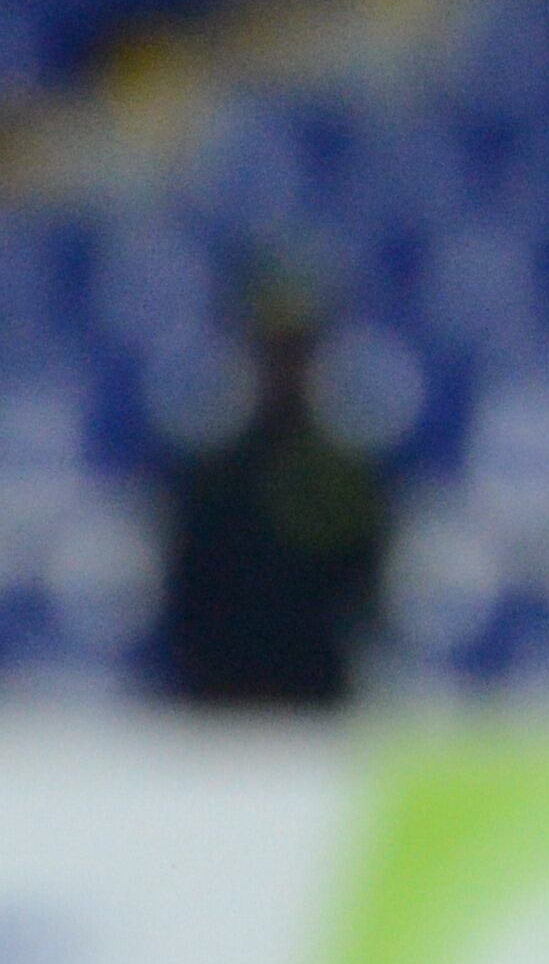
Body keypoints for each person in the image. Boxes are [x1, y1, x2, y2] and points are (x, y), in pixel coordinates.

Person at [155, 282, 392, 710]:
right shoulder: (210, 476)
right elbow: (186, 604)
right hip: (221, 706)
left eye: (295, 351)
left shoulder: (347, 476)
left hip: (313, 706)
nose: (283, 367)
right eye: (272, 352)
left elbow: (365, 599)